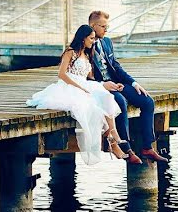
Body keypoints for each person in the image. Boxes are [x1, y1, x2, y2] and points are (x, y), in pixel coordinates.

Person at [27, 24, 141, 165]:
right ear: (83, 38)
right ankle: (113, 141)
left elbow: (90, 78)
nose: (93, 41)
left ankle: (114, 133)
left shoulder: (88, 54)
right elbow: (61, 74)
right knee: (94, 107)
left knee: (107, 96)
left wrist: (107, 85)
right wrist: (79, 87)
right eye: (91, 38)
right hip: (70, 84)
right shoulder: (70, 52)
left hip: (84, 83)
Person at [88, 10, 168, 163]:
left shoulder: (107, 42)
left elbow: (116, 67)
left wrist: (133, 83)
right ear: (93, 25)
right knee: (121, 103)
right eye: (103, 26)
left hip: (117, 83)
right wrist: (103, 85)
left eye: (107, 26)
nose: (106, 30)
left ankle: (147, 147)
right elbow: (82, 77)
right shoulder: (84, 44)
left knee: (147, 101)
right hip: (100, 88)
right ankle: (127, 149)